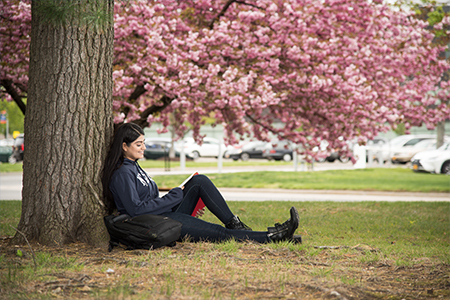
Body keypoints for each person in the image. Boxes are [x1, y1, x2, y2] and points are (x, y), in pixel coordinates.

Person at [102, 123, 300, 244]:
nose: (144, 148)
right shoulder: (122, 174)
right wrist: (173, 196)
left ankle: (236, 224)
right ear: (124, 146)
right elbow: (136, 210)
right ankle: (273, 236)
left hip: (164, 215)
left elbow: (150, 200)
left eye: (144, 142)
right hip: (156, 224)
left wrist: (176, 196)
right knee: (219, 234)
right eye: (139, 144)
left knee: (199, 181)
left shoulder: (134, 166)